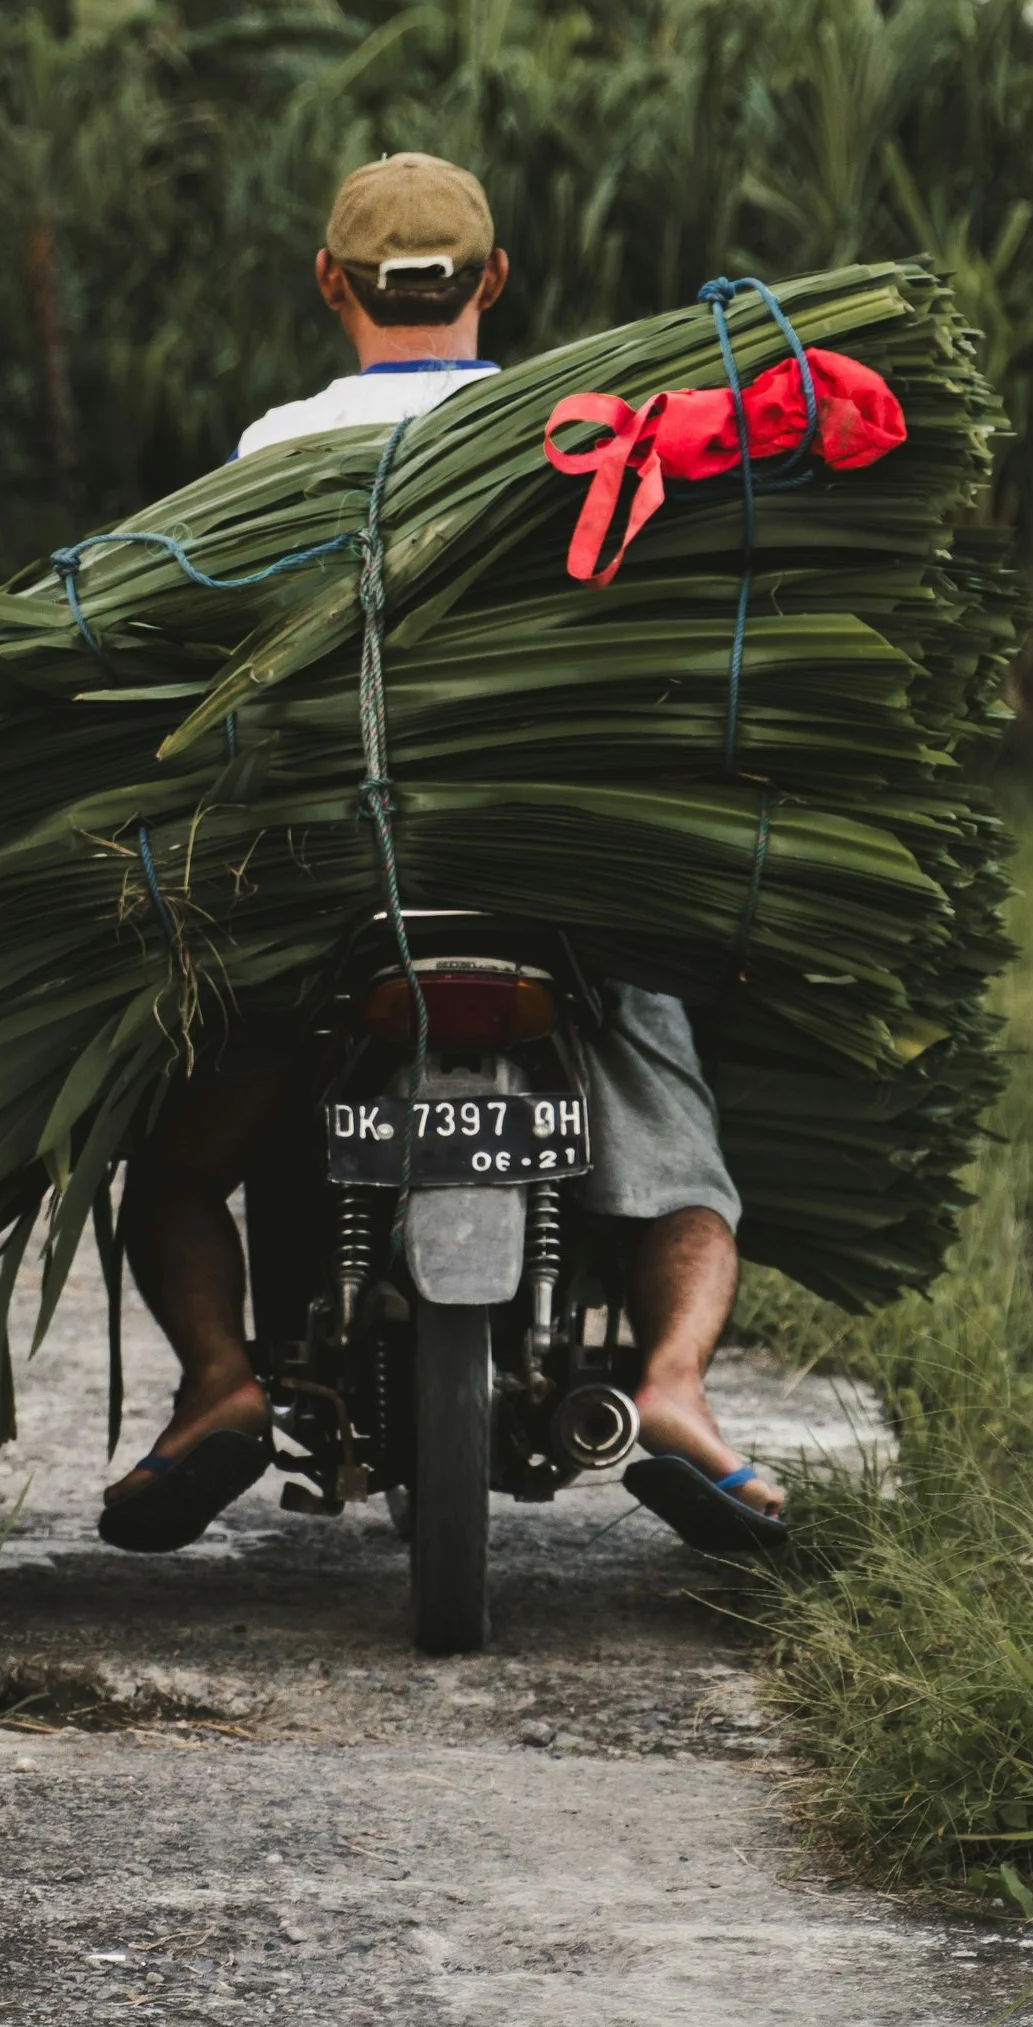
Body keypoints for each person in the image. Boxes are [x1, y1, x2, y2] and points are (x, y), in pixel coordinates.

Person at [100, 151, 788, 1563]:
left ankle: (222, 1383)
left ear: (329, 285)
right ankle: (673, 1388)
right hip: (556, 894)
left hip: (331, 900)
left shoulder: (271, 453)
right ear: (496, 281)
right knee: (687, 1153)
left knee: (169, 1175)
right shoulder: (578, 433)